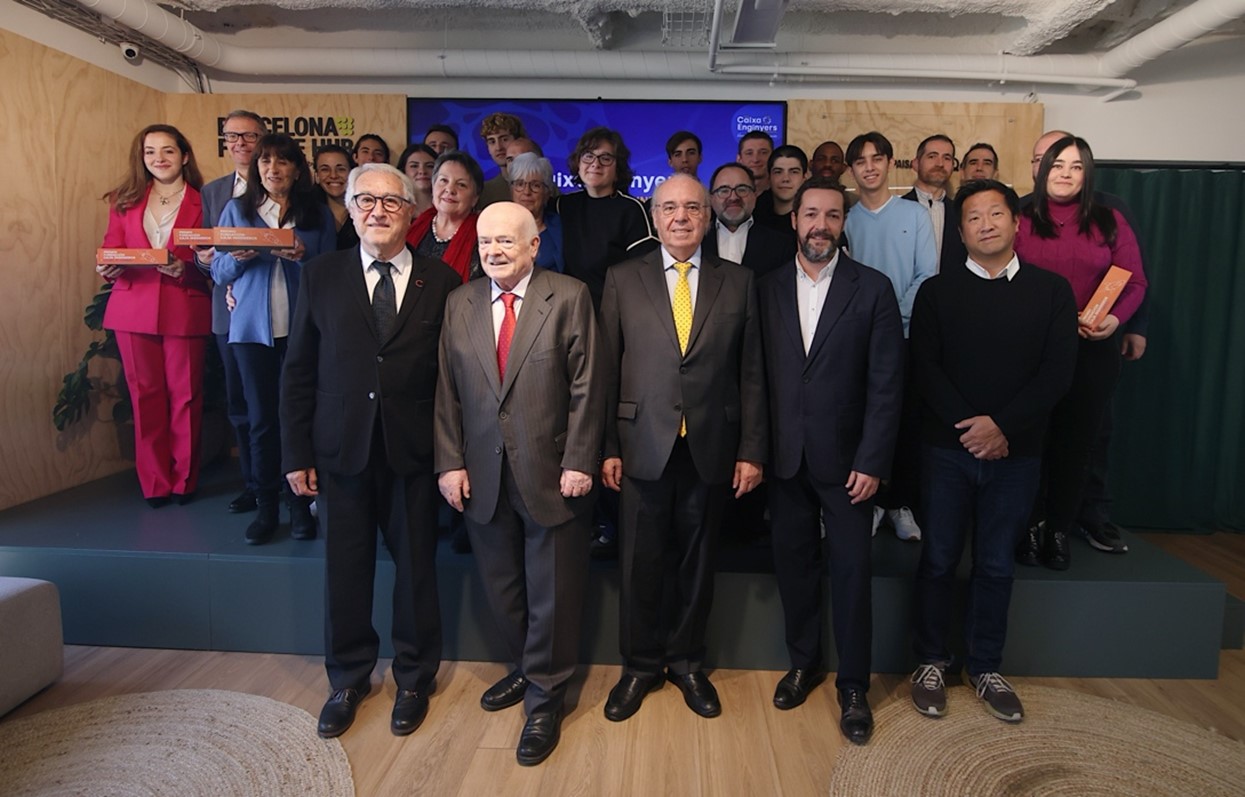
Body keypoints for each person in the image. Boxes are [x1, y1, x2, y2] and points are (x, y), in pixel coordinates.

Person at [282, 163, 457, 740]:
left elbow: (453, 378)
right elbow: (298, 370)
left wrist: (453, 454)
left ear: (411, 212)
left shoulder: (442, 280)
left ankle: (414, 677)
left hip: (414, 453)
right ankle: (349, 677)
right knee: (345, 572)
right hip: (340, 451)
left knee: (417, 572)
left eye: (391, 201)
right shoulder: (320, 275)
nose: (378, 210)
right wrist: (295, 453)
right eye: (366, 200)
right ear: (352, 211)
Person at [435, 201, 604, 766]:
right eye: (486, 241)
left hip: (552, 470)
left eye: (506, 240)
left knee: (553, 590)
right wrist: (449, 462)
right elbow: (446, 390)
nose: (494, 251)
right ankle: (529, 668)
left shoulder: (570, 295)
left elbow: (588, 385)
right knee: (503, 588)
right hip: (481, 472)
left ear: (534, 245)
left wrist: (580, 459)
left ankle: (545, 698)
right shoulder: (459, 303)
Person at [599, 173, 767, 722]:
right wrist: (606, 445)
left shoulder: (738, 282)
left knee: (698, 564)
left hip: (711, 445)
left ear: (708, 215)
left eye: (692, 207)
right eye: (669, 207)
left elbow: (751, 374)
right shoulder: (622, 278)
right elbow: (605, 369)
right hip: (640, 444)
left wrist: (751, 449)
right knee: (638, 564)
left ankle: (688, 662)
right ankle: (640, 666)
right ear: (654, 215)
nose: (680, 217)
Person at [908, 179, 1077, 723]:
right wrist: (973, 429)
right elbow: (925, 369)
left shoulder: (1052, 291)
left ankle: (985, 666)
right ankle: (931, 661)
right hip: (947, 450)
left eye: (995, 214)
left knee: (997, 563)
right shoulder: (936, 292)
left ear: (1016, 222)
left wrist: (1002, 426)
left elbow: (1057, 373)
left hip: (1017, 454)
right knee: (938, 559)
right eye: (974, 217)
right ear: (960, 232)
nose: (985, 224)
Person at [758, 178, 904, 745]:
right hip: (784, 458)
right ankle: (804, 663)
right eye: (811, 214)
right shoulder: (766, 287)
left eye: (833, 215)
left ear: (844, 223)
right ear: (794, 220)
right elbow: (757, 378)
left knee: (851, 574)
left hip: (849, 465)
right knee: (794, 568)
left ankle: (853, 685)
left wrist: (873, 459)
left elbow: (887, 384)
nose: (821, 225)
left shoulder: (874, 288)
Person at [1015, 135, 1147, 570]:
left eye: (1076, 166)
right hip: (1031, 351)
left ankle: (1058, 531)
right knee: (1030, 442)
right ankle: (1028, 528)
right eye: (1057, 165)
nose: (1066, 174)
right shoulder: (1019, 217)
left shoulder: (1109, 218)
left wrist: (1116, 320)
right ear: (1041, 169)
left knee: (1075, 446)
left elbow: (1134, 281)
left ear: (1087, 173)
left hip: (1092, 350)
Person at [211, 133, 337, 545]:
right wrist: (235, 260)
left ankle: (299, 506)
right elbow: (218, 272)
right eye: (265, 161)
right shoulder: (237, 210)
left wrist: (303, 258)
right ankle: (267, 507)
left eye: (282, 161)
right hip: (251, 332)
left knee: (297, 419)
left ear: (297, 170)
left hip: (303, 333)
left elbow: (332, 273)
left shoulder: (316, 214)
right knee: (262, 420)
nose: (273, 169)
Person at [96, 124, 210, 507]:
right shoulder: (123, 200)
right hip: (133, 306)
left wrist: (186, 267)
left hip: (185, 304)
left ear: (184, 156)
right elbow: (112, 247)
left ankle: (184, 481)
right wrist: (107, 266)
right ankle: (155, 483)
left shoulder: (204, 201)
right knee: (144, 396)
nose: (158, 159)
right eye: (150, 152)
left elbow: (212, 257)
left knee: (186, 396)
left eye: (168, 151)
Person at [844, 131, 937, 542]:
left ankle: (900, 504)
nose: (869, 167)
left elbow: (927, 275)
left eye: (876, 158)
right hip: (855, 341)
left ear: (889, 163)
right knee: (861, 423)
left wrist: (889, 317)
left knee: (904, 423)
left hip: (904, 336)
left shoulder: (914, 215)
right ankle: (869, 504)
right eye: (860, 161)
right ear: (851, 170)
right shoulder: (846, 220)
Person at [197, 109, 267, 515]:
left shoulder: (286, 186)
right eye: (232, 136)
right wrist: (207, 261)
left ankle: (284, 482)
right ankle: (253, 484)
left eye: (249, 136)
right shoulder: (213, 192)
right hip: (230, 311)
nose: (240, 143)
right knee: (240, 402)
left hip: (275, 310)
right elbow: (207, 253)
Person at [556, 126, 656, 309]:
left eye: (606, 158)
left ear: (618, 168)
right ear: (578, 163)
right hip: (567, 308)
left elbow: (644, 271)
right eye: (588, 156)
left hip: (612, 310)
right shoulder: (563, 205)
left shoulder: (631, 209)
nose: (595, 164)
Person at [405, 150, 483, 283]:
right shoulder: (412, 227)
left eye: (461, 184)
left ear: (475, 198)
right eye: (443, 180)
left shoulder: (483, 236)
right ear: (433, 187)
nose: (450, 189)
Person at [902, 134, 968, 273]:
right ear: (916, 164)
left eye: (947, 158)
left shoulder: (961, 212)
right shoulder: (897, 210)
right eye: (932, 156)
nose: (940, 164)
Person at [508, 152, 564, 273]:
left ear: (547, 192)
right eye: (520, 184)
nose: (527, 192)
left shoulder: (562, 229)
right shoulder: (498, 228)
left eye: (535, 185)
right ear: (512, 190)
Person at [753, 145, 809, 241]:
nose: (785, 179)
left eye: (794, 172)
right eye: (778, 172)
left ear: (805, 177)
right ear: (769, 177)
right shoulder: (754, 212)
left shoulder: (813, 216)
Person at [312, 144, 359, 250]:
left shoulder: (365, 211)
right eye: (325, 169)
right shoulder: (305, 213)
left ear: (352, 173)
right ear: (317, 176)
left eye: (341, 169)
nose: (333, 175)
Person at [478, 112, 526, 208]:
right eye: (492, 141)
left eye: (504, 139)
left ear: (518, 141)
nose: (498, 147)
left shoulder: (542, 186)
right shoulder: (484, 192)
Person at [396, 143, 437, 217]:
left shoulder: (447, 209)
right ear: (403, 171)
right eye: (414, 166)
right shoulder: (395, 210)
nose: (422, 171)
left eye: (430, 166)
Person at [737, 130, 774, 195]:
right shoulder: (730, 197)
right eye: (749, 153)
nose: (755, 159)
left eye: (763, 153)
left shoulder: (786, 196)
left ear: (774, 157)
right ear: (739, 159)